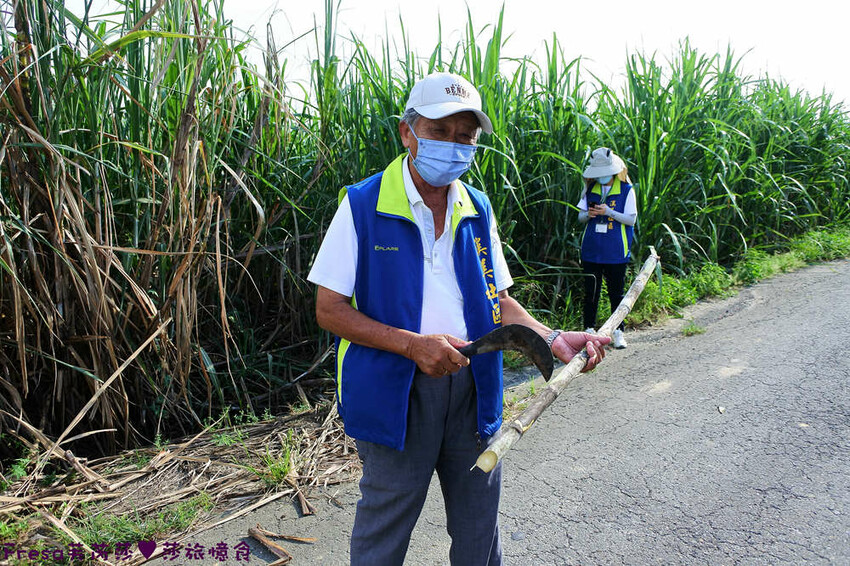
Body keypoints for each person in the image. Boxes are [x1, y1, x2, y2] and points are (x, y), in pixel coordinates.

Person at [307, 71, 611, 566]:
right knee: (385, 527)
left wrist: (551, 337)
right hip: (394, 391)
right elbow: (329, 309)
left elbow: (499, 304)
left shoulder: (477, 206)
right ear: (408, 132)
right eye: (440, 131)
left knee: (478, 528)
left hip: (473, 386)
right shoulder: (362, 205)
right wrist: (412, 345)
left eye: (465, 137)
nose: (453, 146)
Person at [576, 147, 638, 349]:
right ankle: (589, 331)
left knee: (616, 294)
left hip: (616, 252)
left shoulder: (626, 190)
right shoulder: (590, 189)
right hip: (592, 250)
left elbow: (630, 220)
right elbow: (580, 217)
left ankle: (618, 332)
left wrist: (609, 211)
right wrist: (590, 215)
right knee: (591, 293)